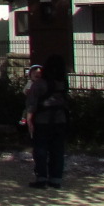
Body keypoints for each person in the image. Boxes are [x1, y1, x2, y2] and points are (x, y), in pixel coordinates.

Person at [22, 55, 70, 188]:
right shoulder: (63, 83)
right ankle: (56, 179)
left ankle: (41, 178)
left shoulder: (39, 84)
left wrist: (29, 120)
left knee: (41, 150)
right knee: (58, 151)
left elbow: (31, 103)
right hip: (60, 120)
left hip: (42, 121)